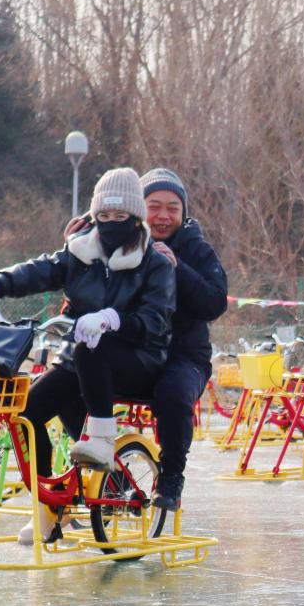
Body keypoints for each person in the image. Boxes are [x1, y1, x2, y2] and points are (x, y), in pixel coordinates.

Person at [0, 167, 176, 542]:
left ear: (136, 218)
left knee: (89, 350)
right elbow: (37, 272)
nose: (111, 223)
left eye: (120, 216)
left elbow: (156, 319)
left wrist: (113, 319)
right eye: (104, 215)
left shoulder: (155, 263)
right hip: (83, 360)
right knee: (26, 412)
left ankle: (103, 439)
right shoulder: (79, 252)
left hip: (139, 360)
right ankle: (47, 507)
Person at [137, 168, 228, 510]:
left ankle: (171, 477)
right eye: (154, 206)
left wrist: (178, 268)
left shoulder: (196, 248)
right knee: (71, 383)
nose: (163, 215)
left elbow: (214, 303)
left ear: (183, 212)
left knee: (174, 395)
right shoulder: (121, 242)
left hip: (184, 356)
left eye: (172, 208)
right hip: (135, 351)